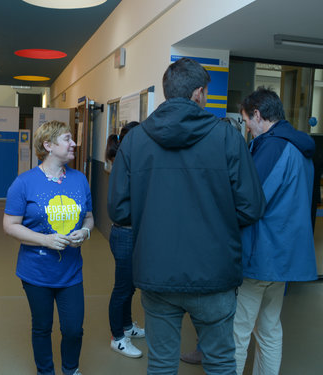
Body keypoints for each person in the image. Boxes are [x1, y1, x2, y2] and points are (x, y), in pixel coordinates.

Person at [108, 57, 266, 374]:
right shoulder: (227, 138)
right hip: (215, 273)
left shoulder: (135, 141)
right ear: (197, 93)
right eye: (206, 92)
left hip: (156, 272)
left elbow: (119, 209)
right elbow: (251, 206)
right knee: (221, 361)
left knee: (162, 362)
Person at [234, 87, 317, 375]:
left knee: (238, 330)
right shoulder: (300, 147)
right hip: (284, 257)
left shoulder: (272, 147)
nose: (248, 129)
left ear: (257, 115)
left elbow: (251, 203)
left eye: (247, 122)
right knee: (269, 328)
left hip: (259, 256)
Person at [3, 120, 94, 375]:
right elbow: (10, 225)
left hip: (71, 271)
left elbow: (89, 217)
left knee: (73, 328)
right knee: (42, 327)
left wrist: (85, 232)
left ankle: (71, 369)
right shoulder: (24, 183)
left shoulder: (79, 180)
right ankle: (46, 371)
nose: (73, 143)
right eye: (67, 138)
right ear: (48, 145)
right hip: (36, 272)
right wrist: (46, 240)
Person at [179, 115, 245, 367]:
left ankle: (211, 352)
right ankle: (205, 349)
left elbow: (247, 205)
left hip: (223, 248)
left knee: (222, 313)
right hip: (209, 247)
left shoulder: (236, 161)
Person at [105, 121, 145, 359]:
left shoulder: (128, 162)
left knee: (129, 287)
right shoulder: (124, 164)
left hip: (130, 234)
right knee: (122, 289)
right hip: (124, 234)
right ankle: (117, 338)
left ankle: (128, 326)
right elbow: (120, 208)